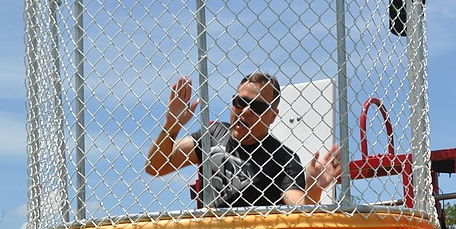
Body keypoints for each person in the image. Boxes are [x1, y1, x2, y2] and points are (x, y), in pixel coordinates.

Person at [145, 72, 341, 208]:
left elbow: (300, 211)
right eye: (240, 102)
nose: (245, 111)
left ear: (272, 115)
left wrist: (314, 190)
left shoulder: (284, 160)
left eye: (257, 107)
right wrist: (172, 123)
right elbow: (155, 166)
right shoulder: (213, 134)